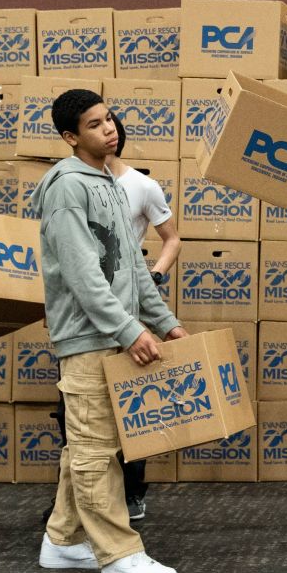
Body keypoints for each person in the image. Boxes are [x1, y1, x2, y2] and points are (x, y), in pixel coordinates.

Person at [32, 89, 187, 573]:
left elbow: (131, 266)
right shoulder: (65, 187)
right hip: (86, 337)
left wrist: (164, 322)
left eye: (110, 119)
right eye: (95, 124)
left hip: (113, 333)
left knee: (89, 445)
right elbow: (82, 273)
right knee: (97, 449)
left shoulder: (111, 183)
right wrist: (127, 328)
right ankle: (118, 553)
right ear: (70, 137)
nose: (109, 129)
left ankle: (61, 540)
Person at [105, 111, 181, 521]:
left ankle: (133, 491)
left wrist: (154, 275)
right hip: (89, 307)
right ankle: (82, 496)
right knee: (76, 408)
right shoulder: (75, 184)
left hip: (129, 303)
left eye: (110, 130)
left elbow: (172, 239)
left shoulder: (141, 185)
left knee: (132, 403)